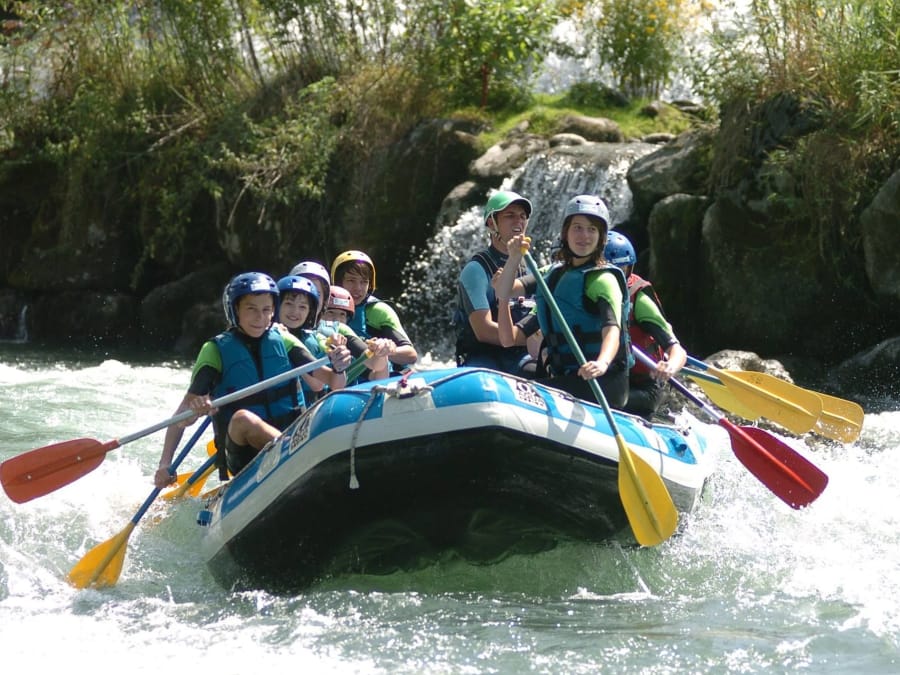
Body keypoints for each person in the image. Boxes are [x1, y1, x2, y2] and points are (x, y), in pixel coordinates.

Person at [153, 272, 352, 488]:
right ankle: (296, 455)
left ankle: (296, 452)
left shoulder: (282, 339)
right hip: (244, 452)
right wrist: (166, 462)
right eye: (251, 309)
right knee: (242, 419)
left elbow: (330, 383)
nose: (260, 317)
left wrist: (339, 368)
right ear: (235, 309)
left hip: (293, 432)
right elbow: (181, 418)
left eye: (266, 310)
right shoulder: (215, 350)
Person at [494, 195, 630, 407]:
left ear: (601, 237)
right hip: (567, 377)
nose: (584, 236)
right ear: (565, 233)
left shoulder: (604, 279)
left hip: (602, 383)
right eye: (577, 227)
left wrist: (602, 363)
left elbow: (612, 329)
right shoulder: (553, 273)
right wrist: (513, 257)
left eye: (592, 229)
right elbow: (504, 290)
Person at [454, 190, 538, 376]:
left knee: (539, 371)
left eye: (522, 216)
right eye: (510, 216)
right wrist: (524, 336)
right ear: (492, 223)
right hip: (483, 356)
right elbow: (484, 331)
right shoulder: (476, 270)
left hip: (519, 356)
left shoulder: (531, 266)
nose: (518, 221)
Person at [604, 230, 687, 418]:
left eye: (620, 271)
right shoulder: (588, 291)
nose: (613, 278)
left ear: (629, 269)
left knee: (603, 395)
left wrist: (670, 366)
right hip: (609, 378)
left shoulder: (638, 300)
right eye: (608, 271)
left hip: (643, 387)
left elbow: (676, 350)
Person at [330, 250, 418, 372]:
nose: (358, 288)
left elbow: (411, 355)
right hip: (342, 379)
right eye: (351, 280)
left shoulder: (379, 311)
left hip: (380, 379)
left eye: (364, 282)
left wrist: (389, 350)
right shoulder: (324, 310)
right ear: (339, 282)